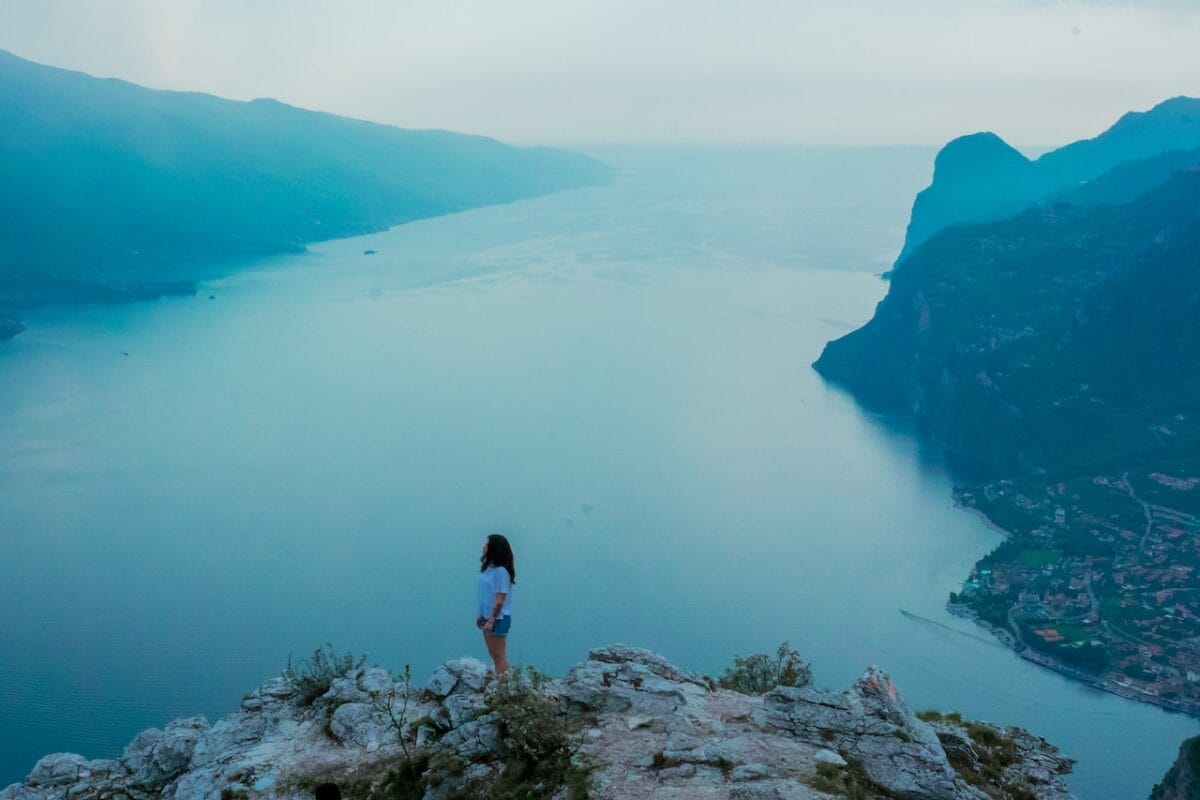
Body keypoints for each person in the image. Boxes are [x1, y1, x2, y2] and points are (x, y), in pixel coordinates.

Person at [477, 533, 515, 674]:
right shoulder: (489, 569)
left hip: (497, 619)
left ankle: (503, 690)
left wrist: (491, 620)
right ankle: (501, 686)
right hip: (488, 617)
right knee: (494, 655)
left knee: (499, 656)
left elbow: (500, 599)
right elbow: (486, 594)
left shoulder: (501, 572)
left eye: (486, 544)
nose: (483, 547)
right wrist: (481, 615)